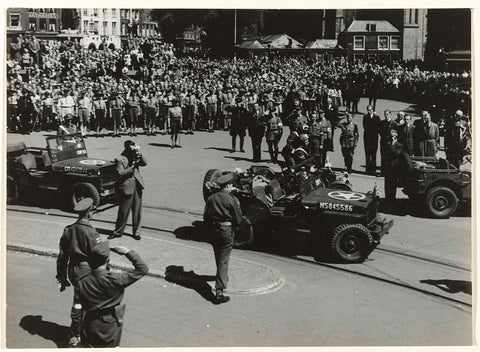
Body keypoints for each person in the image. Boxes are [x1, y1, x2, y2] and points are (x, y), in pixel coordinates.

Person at [75, 243, 149, 347]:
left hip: (90, 323)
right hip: (110, 325)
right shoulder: (116, 279)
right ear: (107, 261)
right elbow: (143, 269)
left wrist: (76, 331)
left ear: (90, 262)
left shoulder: (81, 282)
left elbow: (79, 308)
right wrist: (128, 252)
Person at [56, 198, 102, 347]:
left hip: (73, 271)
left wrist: (62, 277)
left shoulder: (68, 229)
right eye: (93, 211)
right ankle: (76, 336)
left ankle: (78, 332)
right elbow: (100, 256)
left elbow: (62, 257)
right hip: (87, 272)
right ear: (89, 213)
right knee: (82, 304)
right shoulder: (91, 233)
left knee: (79, 302)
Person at [203, 173, 243, 304]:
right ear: (228, 185)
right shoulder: (232, 199)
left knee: (218, 257)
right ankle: (219, 290)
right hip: (226, 231)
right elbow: (238, 219)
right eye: (231, 184)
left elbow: (205, 217)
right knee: (223, 260)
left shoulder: (211, 198)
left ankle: (222, 276)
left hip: (213, 231)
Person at [109, 140, 147, 240]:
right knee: (123, 212)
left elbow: (145, 163)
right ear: (126, 148)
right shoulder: (119, 159)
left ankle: (136, 232)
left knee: (137, 211)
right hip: (126, 187)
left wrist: (139, 154)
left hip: (137, 186)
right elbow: (120, 173)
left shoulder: (135, 156)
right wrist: (132, 166)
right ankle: (118, 231)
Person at [382, 129, 403, 209]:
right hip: (388, 166)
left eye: (393, 136)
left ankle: (392, 200)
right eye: (391, 136)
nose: (391, 138)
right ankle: (387, 199)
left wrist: (391, 146)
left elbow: (396, 153)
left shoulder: (399, 145)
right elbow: (384, 154)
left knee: (393, 184)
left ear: (396, 136)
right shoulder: (387, 144)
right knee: (387, 184)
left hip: (394, 167)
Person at [363, 105, 381, 175]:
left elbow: (378, 127)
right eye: (368, 110)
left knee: (373, 154)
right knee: (367, 154)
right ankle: (367, 170)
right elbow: (365, 126)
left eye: (370, 110)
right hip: (367, 138)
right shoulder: (365, 117)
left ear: (373, 110)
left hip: (374, 139)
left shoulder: (377, 118)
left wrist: (374, 132)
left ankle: (373, 170)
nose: (369, 111)